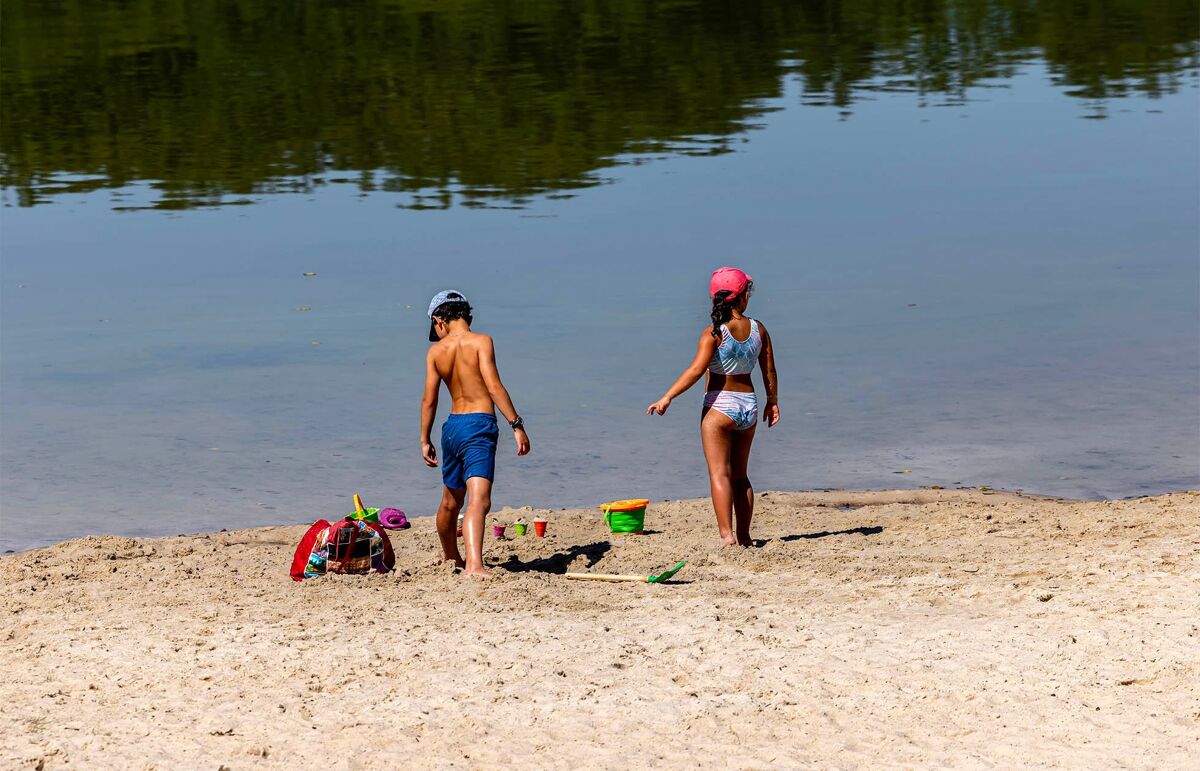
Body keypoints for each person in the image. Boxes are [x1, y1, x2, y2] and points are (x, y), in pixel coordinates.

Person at [647, 267, 779, 546]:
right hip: (749, 407)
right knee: (741, 475)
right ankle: (744, 535)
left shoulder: (714, 333)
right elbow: (770, 371)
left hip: (720, 407)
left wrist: (667, 397)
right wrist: (773, 402)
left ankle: (727, 535)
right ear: (742, 297)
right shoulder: (759, 329)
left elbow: (696, 370)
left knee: (720, 473)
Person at [420, 290, 530, 577]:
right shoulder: (482, 342)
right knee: (478, 501)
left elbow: (429, 400)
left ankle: (451, 557)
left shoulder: (435, 352)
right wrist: (516, 424)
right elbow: (494, 387)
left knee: (450, 501)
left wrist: (425, 438)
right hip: (479, 427)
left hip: (451, 428)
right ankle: (474, 566)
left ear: (438, 320)